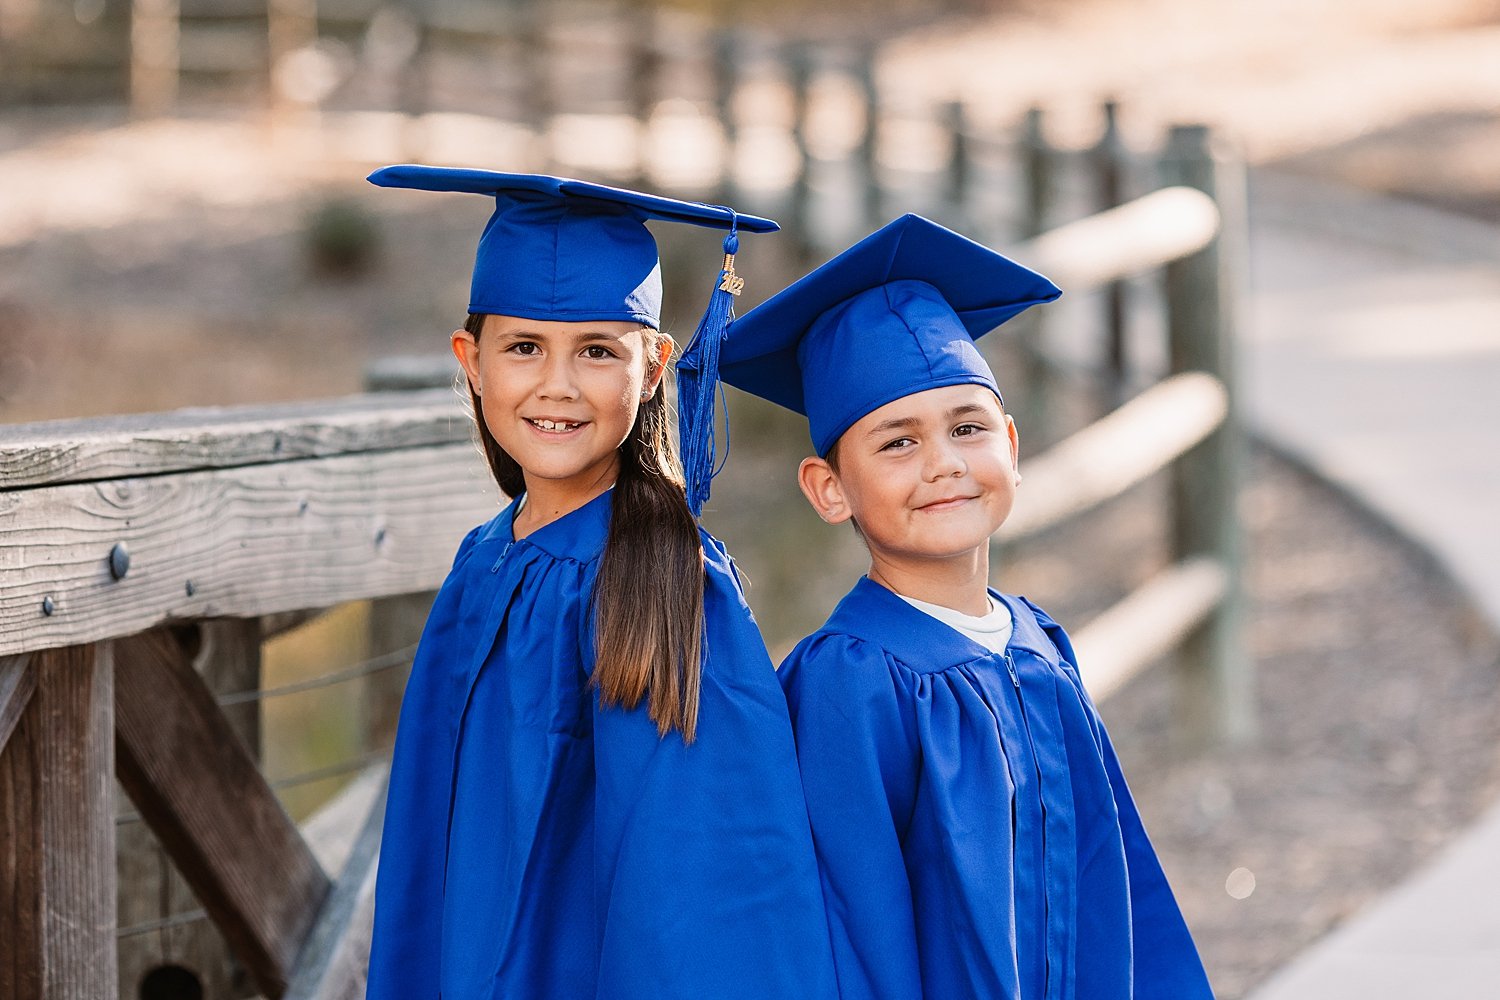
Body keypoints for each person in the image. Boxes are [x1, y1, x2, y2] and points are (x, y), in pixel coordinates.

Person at [363, 166, 835, 1000]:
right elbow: (426, 842)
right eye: (523, 348)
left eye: (595, 350)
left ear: (654, 367)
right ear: (470, 363)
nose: (557, 384)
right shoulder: (483, 562)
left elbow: (706, 889)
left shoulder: (671, 581)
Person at [716, 214, 1215, 999]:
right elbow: (853, 938)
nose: (944, 464)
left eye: (968, 427)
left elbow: (1113, 886)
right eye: (896, 442)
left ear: (1011, 447)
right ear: (829, 489)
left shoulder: (1036, 645)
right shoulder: (848, 682)